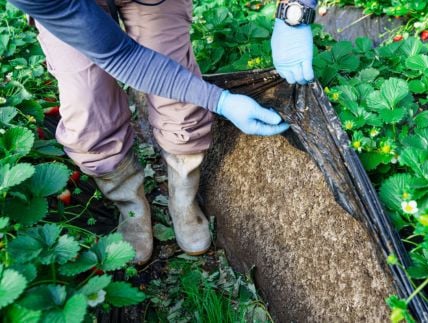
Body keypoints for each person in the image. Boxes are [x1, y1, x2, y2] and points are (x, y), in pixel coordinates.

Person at [8, 0, 317, 263]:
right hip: (73, 8)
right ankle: (130, 206)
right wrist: (220, 101)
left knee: (181, 104)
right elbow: (122, 56)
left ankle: (182, 200)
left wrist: (295, 14)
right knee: (88, 112)